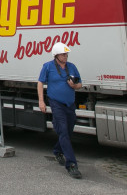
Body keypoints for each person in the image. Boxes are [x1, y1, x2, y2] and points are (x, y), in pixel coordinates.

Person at [37, 42, 83, 179]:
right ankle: (72, 165)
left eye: (66, 54)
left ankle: (57, 150)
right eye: (63, 54)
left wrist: (75, 86)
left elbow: (80, 84)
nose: (66, 56)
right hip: (56, 104)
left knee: (68, 131)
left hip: (70, 104)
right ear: (56, 55)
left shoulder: (72, 67)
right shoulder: (48, 67)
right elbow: (40, 83)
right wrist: (41, 101)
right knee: (63, 130)